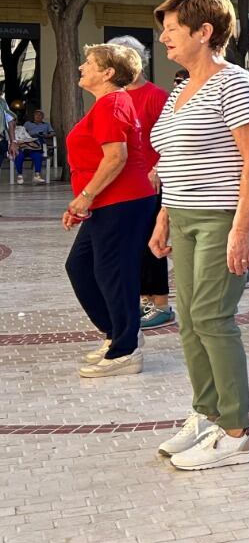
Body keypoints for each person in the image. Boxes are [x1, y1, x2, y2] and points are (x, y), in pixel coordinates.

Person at [144, 0, 249, 469]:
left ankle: (237, 431)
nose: (164, 38)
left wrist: (241, 231)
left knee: (213, 319)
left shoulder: (233, 84)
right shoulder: (181, 87)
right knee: (191, 321)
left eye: (172, 30)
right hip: (185, 215)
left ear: (204, 31)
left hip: (220, 217)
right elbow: (172, 158)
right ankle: (207, 413)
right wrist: (164, 215)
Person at [64, 43, 159, 379]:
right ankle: (120, 332)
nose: (81, 67)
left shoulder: (112, 103)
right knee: (80, 267)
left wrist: (85, 197)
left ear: (107, 73)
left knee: (112, 274)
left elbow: (116, 157)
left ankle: (125, 350)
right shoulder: (107, 103)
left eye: (88, 62)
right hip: (109, 202)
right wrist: (86, 201)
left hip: (123, 201)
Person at [106, 35, 174, 328]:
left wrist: (158, 168)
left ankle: (161, 304)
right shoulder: (116, 97)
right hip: (125, 185)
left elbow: (170, 139)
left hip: (151, 182)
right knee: (133, 245)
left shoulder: (157, 96)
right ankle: (144, 299)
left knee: (152, 243)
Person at [14, 107, 51, 181]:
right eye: (36, 115)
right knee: (19, 155)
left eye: (40, 115)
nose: (38, 116)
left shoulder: (21, 128)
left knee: (37, 155)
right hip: (20, 147)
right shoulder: (26, 124)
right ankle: (19, 176)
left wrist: (43, 135)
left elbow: (26, 135)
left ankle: (37, 175)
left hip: (32, 144)